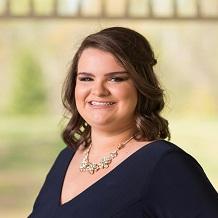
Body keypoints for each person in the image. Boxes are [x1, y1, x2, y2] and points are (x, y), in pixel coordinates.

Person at [28, 27, 218, 218]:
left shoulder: (165, 165)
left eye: (115, 79)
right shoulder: (66, 157)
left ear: (140, 85)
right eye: (86, 78)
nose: (98, 90)